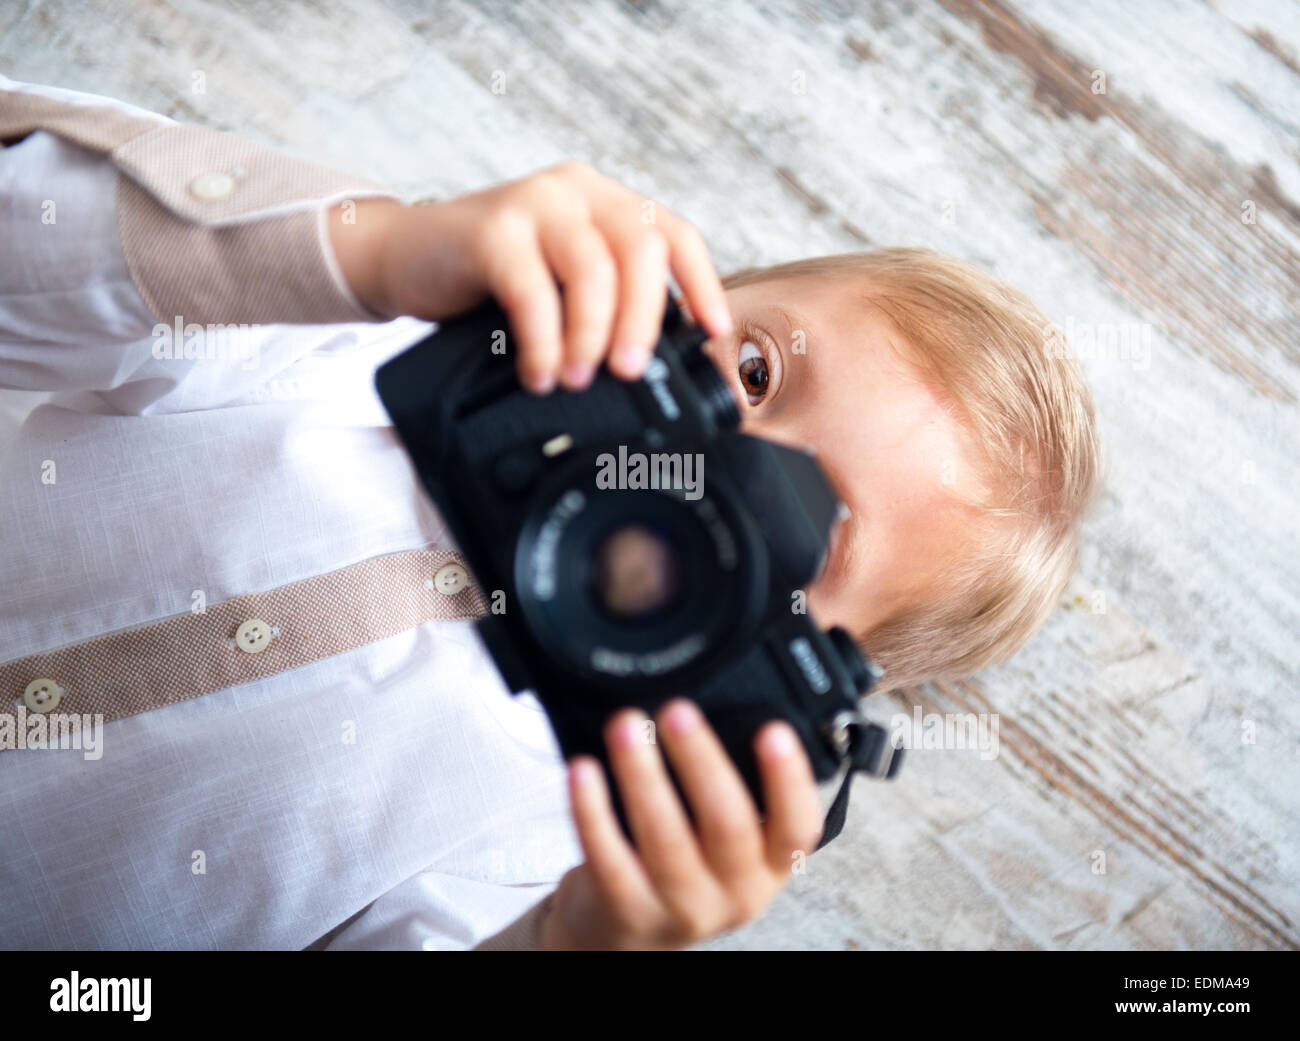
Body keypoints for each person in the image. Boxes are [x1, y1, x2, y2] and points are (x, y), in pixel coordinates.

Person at [0, 75, 1099, 950]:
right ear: (681, 296)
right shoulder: (364, 332)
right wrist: (364, 250)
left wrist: (567, 942)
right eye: (752, 375)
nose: (716, 471)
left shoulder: (562, 839)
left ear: (814, 684)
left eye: (802, 536)